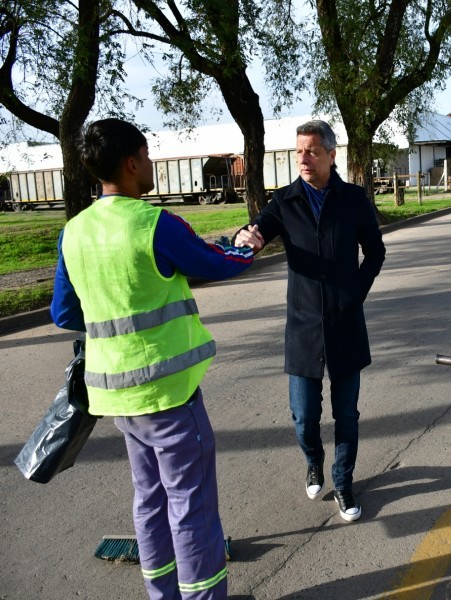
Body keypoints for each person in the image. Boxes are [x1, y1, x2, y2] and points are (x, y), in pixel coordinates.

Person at [51, 118, 258, 600]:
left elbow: (64, 311)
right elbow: (213, 262)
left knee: (149, 499)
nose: (150, 165)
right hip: (168, 393)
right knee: (191, 504)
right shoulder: (153, 224)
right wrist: (245, 249)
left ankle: (162, 593)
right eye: (146, 156)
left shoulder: (75, 231)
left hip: (115, 398)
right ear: (130, 163)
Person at [234, 120, 385, 522]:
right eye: (298, 151)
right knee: (303, 416)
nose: (303, 158)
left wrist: (355, 292)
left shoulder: (352, 199)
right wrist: (246, 236)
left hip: (345, 325)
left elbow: (375, 252)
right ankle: (314, 461)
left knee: (347, 414)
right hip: (302, 327)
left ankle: (345, 481)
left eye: (312, 151)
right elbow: (259, 227)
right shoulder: (286, 201)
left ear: (332, 155)